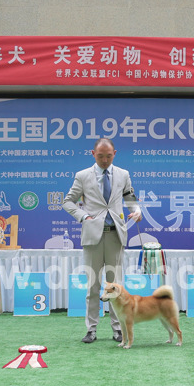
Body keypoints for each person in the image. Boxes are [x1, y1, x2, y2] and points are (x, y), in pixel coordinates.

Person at [62, 138, 142, 344]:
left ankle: (118, 328)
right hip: (92, 237)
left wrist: (136, 210)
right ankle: (91, 329)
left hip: (115, 235)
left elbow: (130, 197)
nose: (104, 160)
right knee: (93, 286)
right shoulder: (82, 176)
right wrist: (83, 216)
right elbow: (68, 202)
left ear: (114, 153)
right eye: (100, 156)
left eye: (108, 156)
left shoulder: (123, 174)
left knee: (116, 287)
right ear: (93, 154)